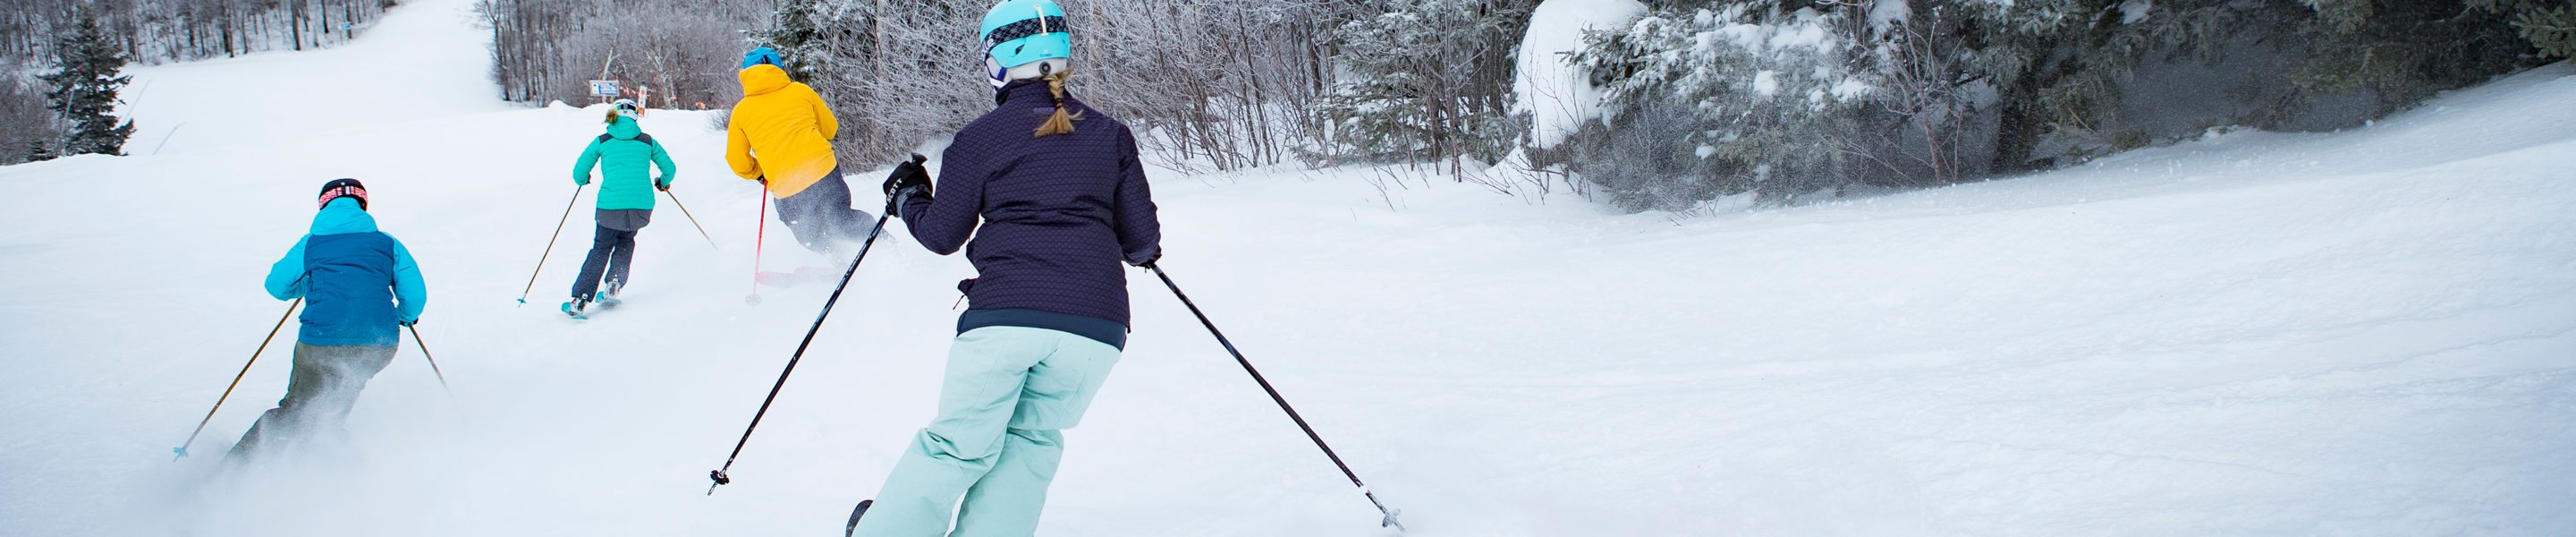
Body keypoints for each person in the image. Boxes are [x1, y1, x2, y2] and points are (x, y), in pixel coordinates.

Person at [848, 2, 1161, 534]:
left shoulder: (981, 137)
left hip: (1006, 317)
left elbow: (943, 235)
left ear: (997, 59)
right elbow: (1142, 245)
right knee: (1030, 444)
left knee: (958, 444)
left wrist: (907, 199)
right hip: (1095, 326)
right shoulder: (1110, 134)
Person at [230, 178, 428, 462]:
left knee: (297, 409)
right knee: (330, 409)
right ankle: (326, 472)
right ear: (363, 204)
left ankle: (233, 471)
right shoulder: (387, 243)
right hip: (378, 343)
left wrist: (308, 284)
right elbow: (414, 294)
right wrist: (405, 317)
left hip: (323, 341)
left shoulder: (311, 244)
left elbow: (276, 286)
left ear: (324, 204)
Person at [725, 47, 873, 255]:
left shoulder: (741, 111)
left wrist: (759, 172)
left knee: (812, 236)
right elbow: (830, 129)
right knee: (842, 219)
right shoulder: (801, 91)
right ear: (778, 69)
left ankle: (842, 264)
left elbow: (737, 160)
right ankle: (886, 249)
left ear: (746, 75)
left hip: (787, 188)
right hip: (823, 173)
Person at [564, 98, 676, 317]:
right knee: (626, 240)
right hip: (641, 207)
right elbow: (669, 168)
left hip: (610, 208)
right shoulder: (647, 141)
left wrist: (583, 178)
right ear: (635, 117)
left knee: (601, 247)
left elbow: (579, 171)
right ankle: (615, 282)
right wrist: (663, 182)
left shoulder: (602, 141)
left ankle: (580, 298)